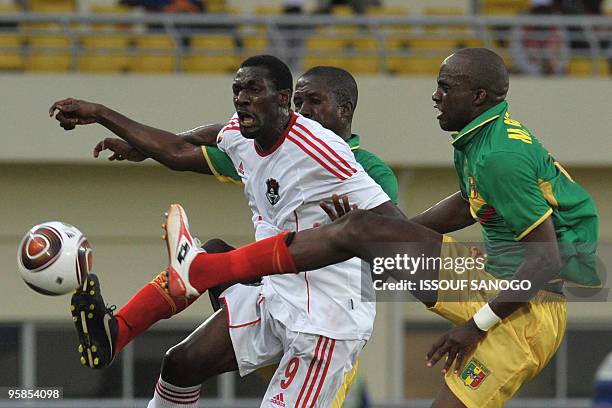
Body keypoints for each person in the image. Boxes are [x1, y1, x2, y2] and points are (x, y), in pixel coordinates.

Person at [127, 47, 598, 407]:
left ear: (477, 96)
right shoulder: (480, 139)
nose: (433, 95)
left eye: (444, 87)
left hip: (526, 306)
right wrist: (382, 232)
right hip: (494, 275)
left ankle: (214, 271)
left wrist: (474, 327)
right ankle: (219, 274)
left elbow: (547, 260)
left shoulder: (492, 156)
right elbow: (466, 205)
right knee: (370, 243)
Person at [50, 55, 403, 408]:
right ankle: (121, 329)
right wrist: (109, 122)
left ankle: (194, 273)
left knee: (211, 260)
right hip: (276, 294)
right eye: (237, 90)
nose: (242, 98)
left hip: (326, 318)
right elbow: (186, 146)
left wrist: (362, 231)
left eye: (253, 89)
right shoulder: (245, 137)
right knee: (180, 364)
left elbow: (400, 231)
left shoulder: (333, 155)